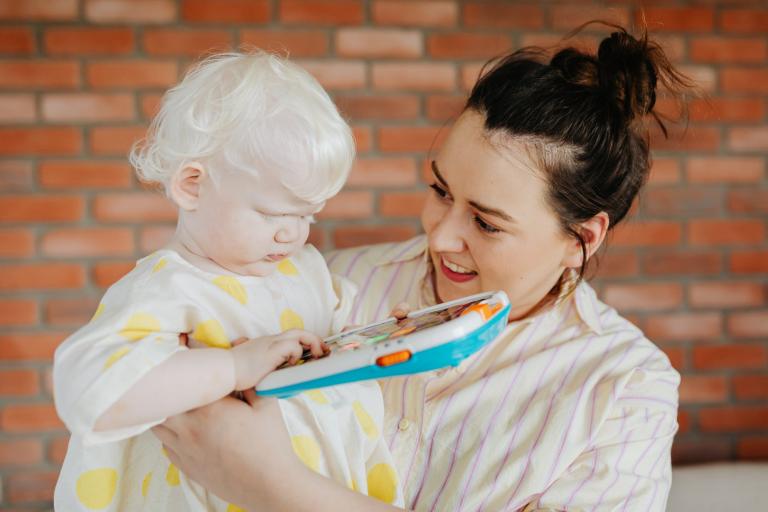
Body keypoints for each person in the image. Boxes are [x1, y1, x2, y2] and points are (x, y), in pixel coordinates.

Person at [153, 25, 695, 511]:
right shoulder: (329, 284)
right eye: (440, 190)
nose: (439, 236)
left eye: (486, 223)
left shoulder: (624, 389)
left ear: (583, 239)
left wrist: (276, 487)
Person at [52, 51, 403, 511]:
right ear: (193, 186)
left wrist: (384, 336)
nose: (292, 234)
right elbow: (91, 394)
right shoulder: (166, 290)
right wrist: (232, 368)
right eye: (274, 213)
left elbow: (337, 343)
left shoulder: (304, 269)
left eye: (308, 215)